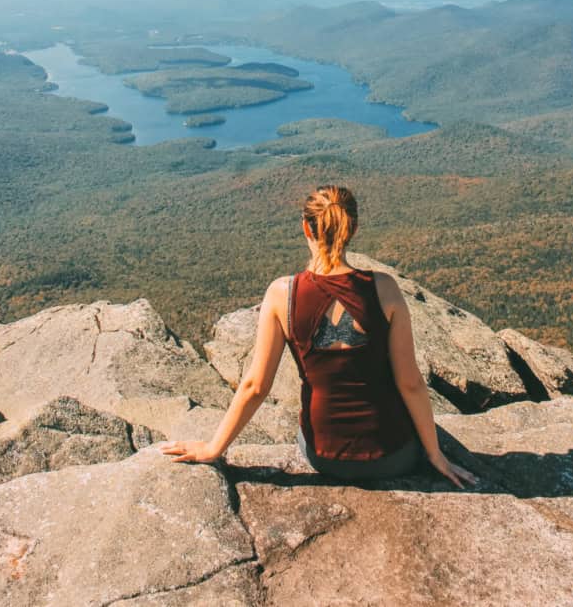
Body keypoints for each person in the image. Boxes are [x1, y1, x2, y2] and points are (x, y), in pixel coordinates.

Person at [163, 185, 476, 488]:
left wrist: (213, 449)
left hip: (323, 454)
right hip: (391, 454)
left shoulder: (282, 294)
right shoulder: (384, 289)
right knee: (426, 428)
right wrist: (435, 454)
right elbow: (410, 383)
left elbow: (255, 387)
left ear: (306, 229)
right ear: (352, 229)